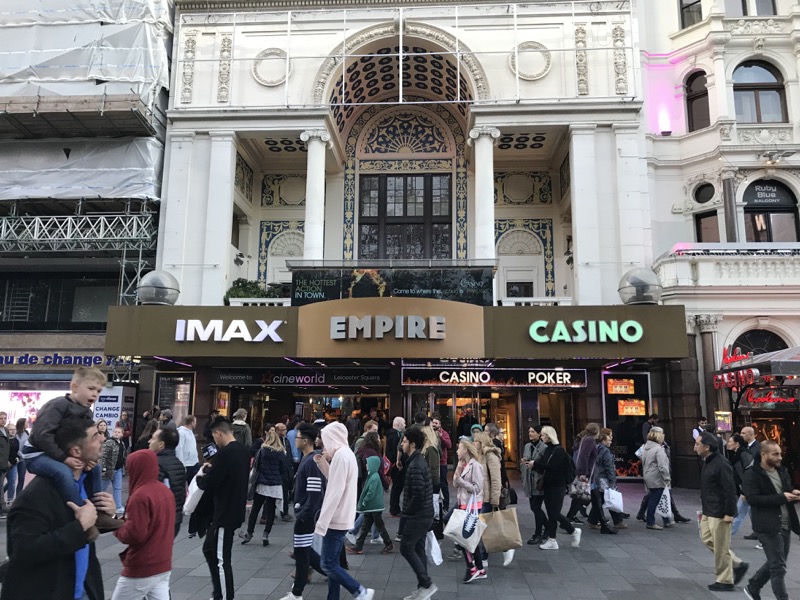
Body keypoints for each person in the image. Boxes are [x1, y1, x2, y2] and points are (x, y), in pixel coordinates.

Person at [1, 417, 117, 600]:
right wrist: (80, 525)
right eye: (95, 436)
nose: (103, 439)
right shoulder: (35, 495)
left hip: (81, 590)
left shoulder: (83, 484)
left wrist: (103, 513)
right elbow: (24, 551)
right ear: (76, 451)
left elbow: (77, 528)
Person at [19, 367, 112, 531]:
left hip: (59, 453)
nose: (95, 394)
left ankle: (99, 513)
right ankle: (80, 514)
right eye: (91, 389)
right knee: (63, 472)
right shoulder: (57, 405)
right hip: (36, 454)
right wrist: (64, 458)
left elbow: (83, 441)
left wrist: (89, 458)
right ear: (75, 387)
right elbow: (42, 436)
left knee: (96, 469)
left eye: (98, 390)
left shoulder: (86, 412)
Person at [313, 422, 375, 600]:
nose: (324, 445)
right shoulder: (346, 454)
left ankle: (359, 590)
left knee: (328, 563)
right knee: (333, 563)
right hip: (343, 515)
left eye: (326, 440)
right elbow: (336, 481)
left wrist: (322, 522)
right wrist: (323, 462)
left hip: (336, 517)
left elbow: (334, 491)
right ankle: (335, 597)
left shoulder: (341, 456)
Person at [110, 449, 175, 600]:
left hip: (143, 565)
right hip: (163, 562)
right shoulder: (165, 491)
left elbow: (134, 534)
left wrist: (115, 525)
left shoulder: (140, 496)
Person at [196, 418, 250, 600]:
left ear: (218, 433)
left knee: (221, 560)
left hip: (224, 514)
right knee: (208, 549)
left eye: (213, 435)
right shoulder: (243, 450)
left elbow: (210, 482)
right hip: (233, 509)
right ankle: (218, 593)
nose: (214, 440)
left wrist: (201, 476)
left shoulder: (224, 454)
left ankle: (224, 596)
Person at [741, 440, 800, 600]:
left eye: (780, 453)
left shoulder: (782, 471)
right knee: (778, 567)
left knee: (777, 562)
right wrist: (782, 497)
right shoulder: (751, 473)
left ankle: (753, 586)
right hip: (767, 526)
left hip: (786, 524)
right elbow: (753, 499)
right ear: (763, 454)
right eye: (775, 454)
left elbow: (785, 491)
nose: (780, 457)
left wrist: (793, 493)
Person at [695, 431, 748, 592]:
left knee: (721, 547)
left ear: (707, 446)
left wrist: (730, 513)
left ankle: (725, 580)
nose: (695, 447)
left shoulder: (721, 463)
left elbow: (729, 489)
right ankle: (737, 564)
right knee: (707, 539)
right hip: (709, 509)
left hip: (720, 511)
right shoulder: (708, 461)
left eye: (697, 444)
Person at [278, 423, 326, 600]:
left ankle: (297, 593)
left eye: (297, 437)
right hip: (306, 514)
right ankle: (334, 572)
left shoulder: (312, 462)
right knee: (305, 553)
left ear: (305, 441)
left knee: (302, 554)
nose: (294, 439)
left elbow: (315, 494)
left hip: (306, 516)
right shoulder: (309, 460)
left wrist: (304, 514)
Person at [397, 426, 437, 600]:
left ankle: (427, 584)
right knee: (419, 550)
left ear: (412, 444)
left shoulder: (415, 464)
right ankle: (423, 590)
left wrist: (407, 512)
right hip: (424, 514)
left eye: (404, 442)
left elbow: (418, 494)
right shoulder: (416, 461)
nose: (402, 445)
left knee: (406, 547)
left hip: (419, 515)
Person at [532, 426, 581, 550]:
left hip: (558, 486)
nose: (541, 437)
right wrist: (532, 465)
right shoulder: (548, 449)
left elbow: (552, 467)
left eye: (543, 435)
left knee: (554, 513)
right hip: (549, 485)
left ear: (549, 436)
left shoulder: (559, 451)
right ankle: (553, 539)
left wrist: (535, 464)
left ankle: (571, 532)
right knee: (551, 513)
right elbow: (544, 466)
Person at [240, 430, 287, 546]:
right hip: (275, 484)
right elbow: (283, 469)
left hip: (262, 483)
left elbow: (256, 466)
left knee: (256, 509)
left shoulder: (262, 451)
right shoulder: (281, 453)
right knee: (271, 511)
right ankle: (266, 535)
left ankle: (249, 533)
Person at [452, 439, 486, 582]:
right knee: (468, 538)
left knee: (464, 538)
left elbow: (477, 487)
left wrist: (461, 481)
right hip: (463, 503)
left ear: (465, 450)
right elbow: (454, 482)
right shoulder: (463, 464)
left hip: (471, 506)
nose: (457, 451)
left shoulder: (475, 466)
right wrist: (459, 469)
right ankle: (479, 568)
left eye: (459, 448)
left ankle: (472, 568)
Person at [347, 454, 394, 555]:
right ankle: (358, 546)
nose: (366, 465)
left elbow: (370, 492)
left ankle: (388, 543)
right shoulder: (374, 476)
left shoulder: (373, 477)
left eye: (368, 464)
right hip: (373, 507)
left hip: (373, 507)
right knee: (367, 527)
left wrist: (364, 502)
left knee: (377, 525)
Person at [149, 427, 186, 538]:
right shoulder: (178, 463)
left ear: (161, 444)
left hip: (160, 519)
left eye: (153, 438)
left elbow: (153, 494)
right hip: (175, 518)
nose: (149, 441)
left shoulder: (156, 464)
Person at [588, 428, 624, 532]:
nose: (611, 439)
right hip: (604, 479)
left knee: (601, 500)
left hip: (596, 478)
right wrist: (612, 480)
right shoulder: (605, 451)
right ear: (604, 438)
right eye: (610, 436)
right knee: (608, 498)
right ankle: (617, 521)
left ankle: (594, 520)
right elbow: (609, 467)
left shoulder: (595, 448)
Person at [521, 425, 548, 545]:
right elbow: (526, 459)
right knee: (534, 507)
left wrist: (535, 464)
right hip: (529, 481)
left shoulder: (544, 447)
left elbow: (545, 465)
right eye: (529, 431)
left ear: (539, 434)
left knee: (536, 507)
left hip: (539, 482)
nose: (530, 434)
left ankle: (538, 533)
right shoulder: (527, 445)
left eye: (533, 432)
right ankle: (548, 527)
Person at [641, 427, 672, 530]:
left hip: (649, 476)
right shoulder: (658, 449)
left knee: (656, 498)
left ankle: (666, 520)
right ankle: (651, 522)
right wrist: (667, 478)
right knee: (655, 499)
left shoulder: (645, 447)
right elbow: (662, 466)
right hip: (657, 478)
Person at [727, 433, 754, 537]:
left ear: (737, 443)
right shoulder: (736, 454)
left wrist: (745, 491)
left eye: (730, 442)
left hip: (747, 489)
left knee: (739, 513)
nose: (728, 444)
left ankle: (726, 536)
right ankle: (763, 536)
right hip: (745, 488)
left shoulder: (743, 454)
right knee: (753, 513)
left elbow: (749, 472)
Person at [101, 426, 127, 515]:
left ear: (122, 434)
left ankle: (118, 506)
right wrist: (104, 468)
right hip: (109, 469)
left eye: (119, 432)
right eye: (115, 431)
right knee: (101, 488)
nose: (116, 433)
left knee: (117, 488)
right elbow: (103, 456)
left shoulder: (122, 444)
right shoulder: (109, 442)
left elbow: (123, 456)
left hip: (118, 469)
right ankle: (95, 504)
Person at [430, 415, 452, 509]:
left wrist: (441, 437)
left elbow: (449, 445)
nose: (434, 424)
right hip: (431, 462)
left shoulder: (444, 433)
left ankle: (445, 506)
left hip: (442, 462)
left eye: (436, 423)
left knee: (443, 484)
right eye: (433, 423)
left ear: (440, 424)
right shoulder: (429, 433)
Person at [276, 421, 295, 522]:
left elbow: (289, 453)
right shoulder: (275, 441)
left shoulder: (286, 440)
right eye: (283, 429)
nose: (285, 431)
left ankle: (285, 512)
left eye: (285, 429)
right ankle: (269, 512)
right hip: (278, 470)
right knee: (276, 493)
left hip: (287, 469)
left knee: (285, 492)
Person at [387, 416, 406, 517]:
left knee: (397, 487)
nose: (405, 425)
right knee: (397, 487)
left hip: (395, 464)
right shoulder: (396, 436)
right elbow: (395, 451)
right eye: (403, 423)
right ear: (398, 424)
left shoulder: (392, 434)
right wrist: (398, 461)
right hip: (397, 466)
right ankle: (394, 509)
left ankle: (394, 508)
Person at [177, 415, 200, 484]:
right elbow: (179, 448)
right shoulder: (181, 432)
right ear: (192, 422)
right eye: (195, 422)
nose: (196, 424)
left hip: (194, 462)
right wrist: (182, 464)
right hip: (187, 464)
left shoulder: (191, 432)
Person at [12, 418, 29, 498]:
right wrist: (22, 455)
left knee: (21, 478)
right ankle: (5, 491)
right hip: (17, 458)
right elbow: (16, 448)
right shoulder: (16, 434)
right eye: (26, 423)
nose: (28, 424)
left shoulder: (27, 433)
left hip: (23, 461)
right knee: (12, 479)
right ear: (22, 424)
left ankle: (18, 496)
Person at [5, 422, 19, 505]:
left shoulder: (16, 440)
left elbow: (16, 452)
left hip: (13, 465)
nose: (13, 431)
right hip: (3, 465)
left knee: (12, 482)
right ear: (7, 430)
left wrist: (18, 457)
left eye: (14, 429)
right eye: (11, 430)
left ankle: (10, 501)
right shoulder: (4, 440)